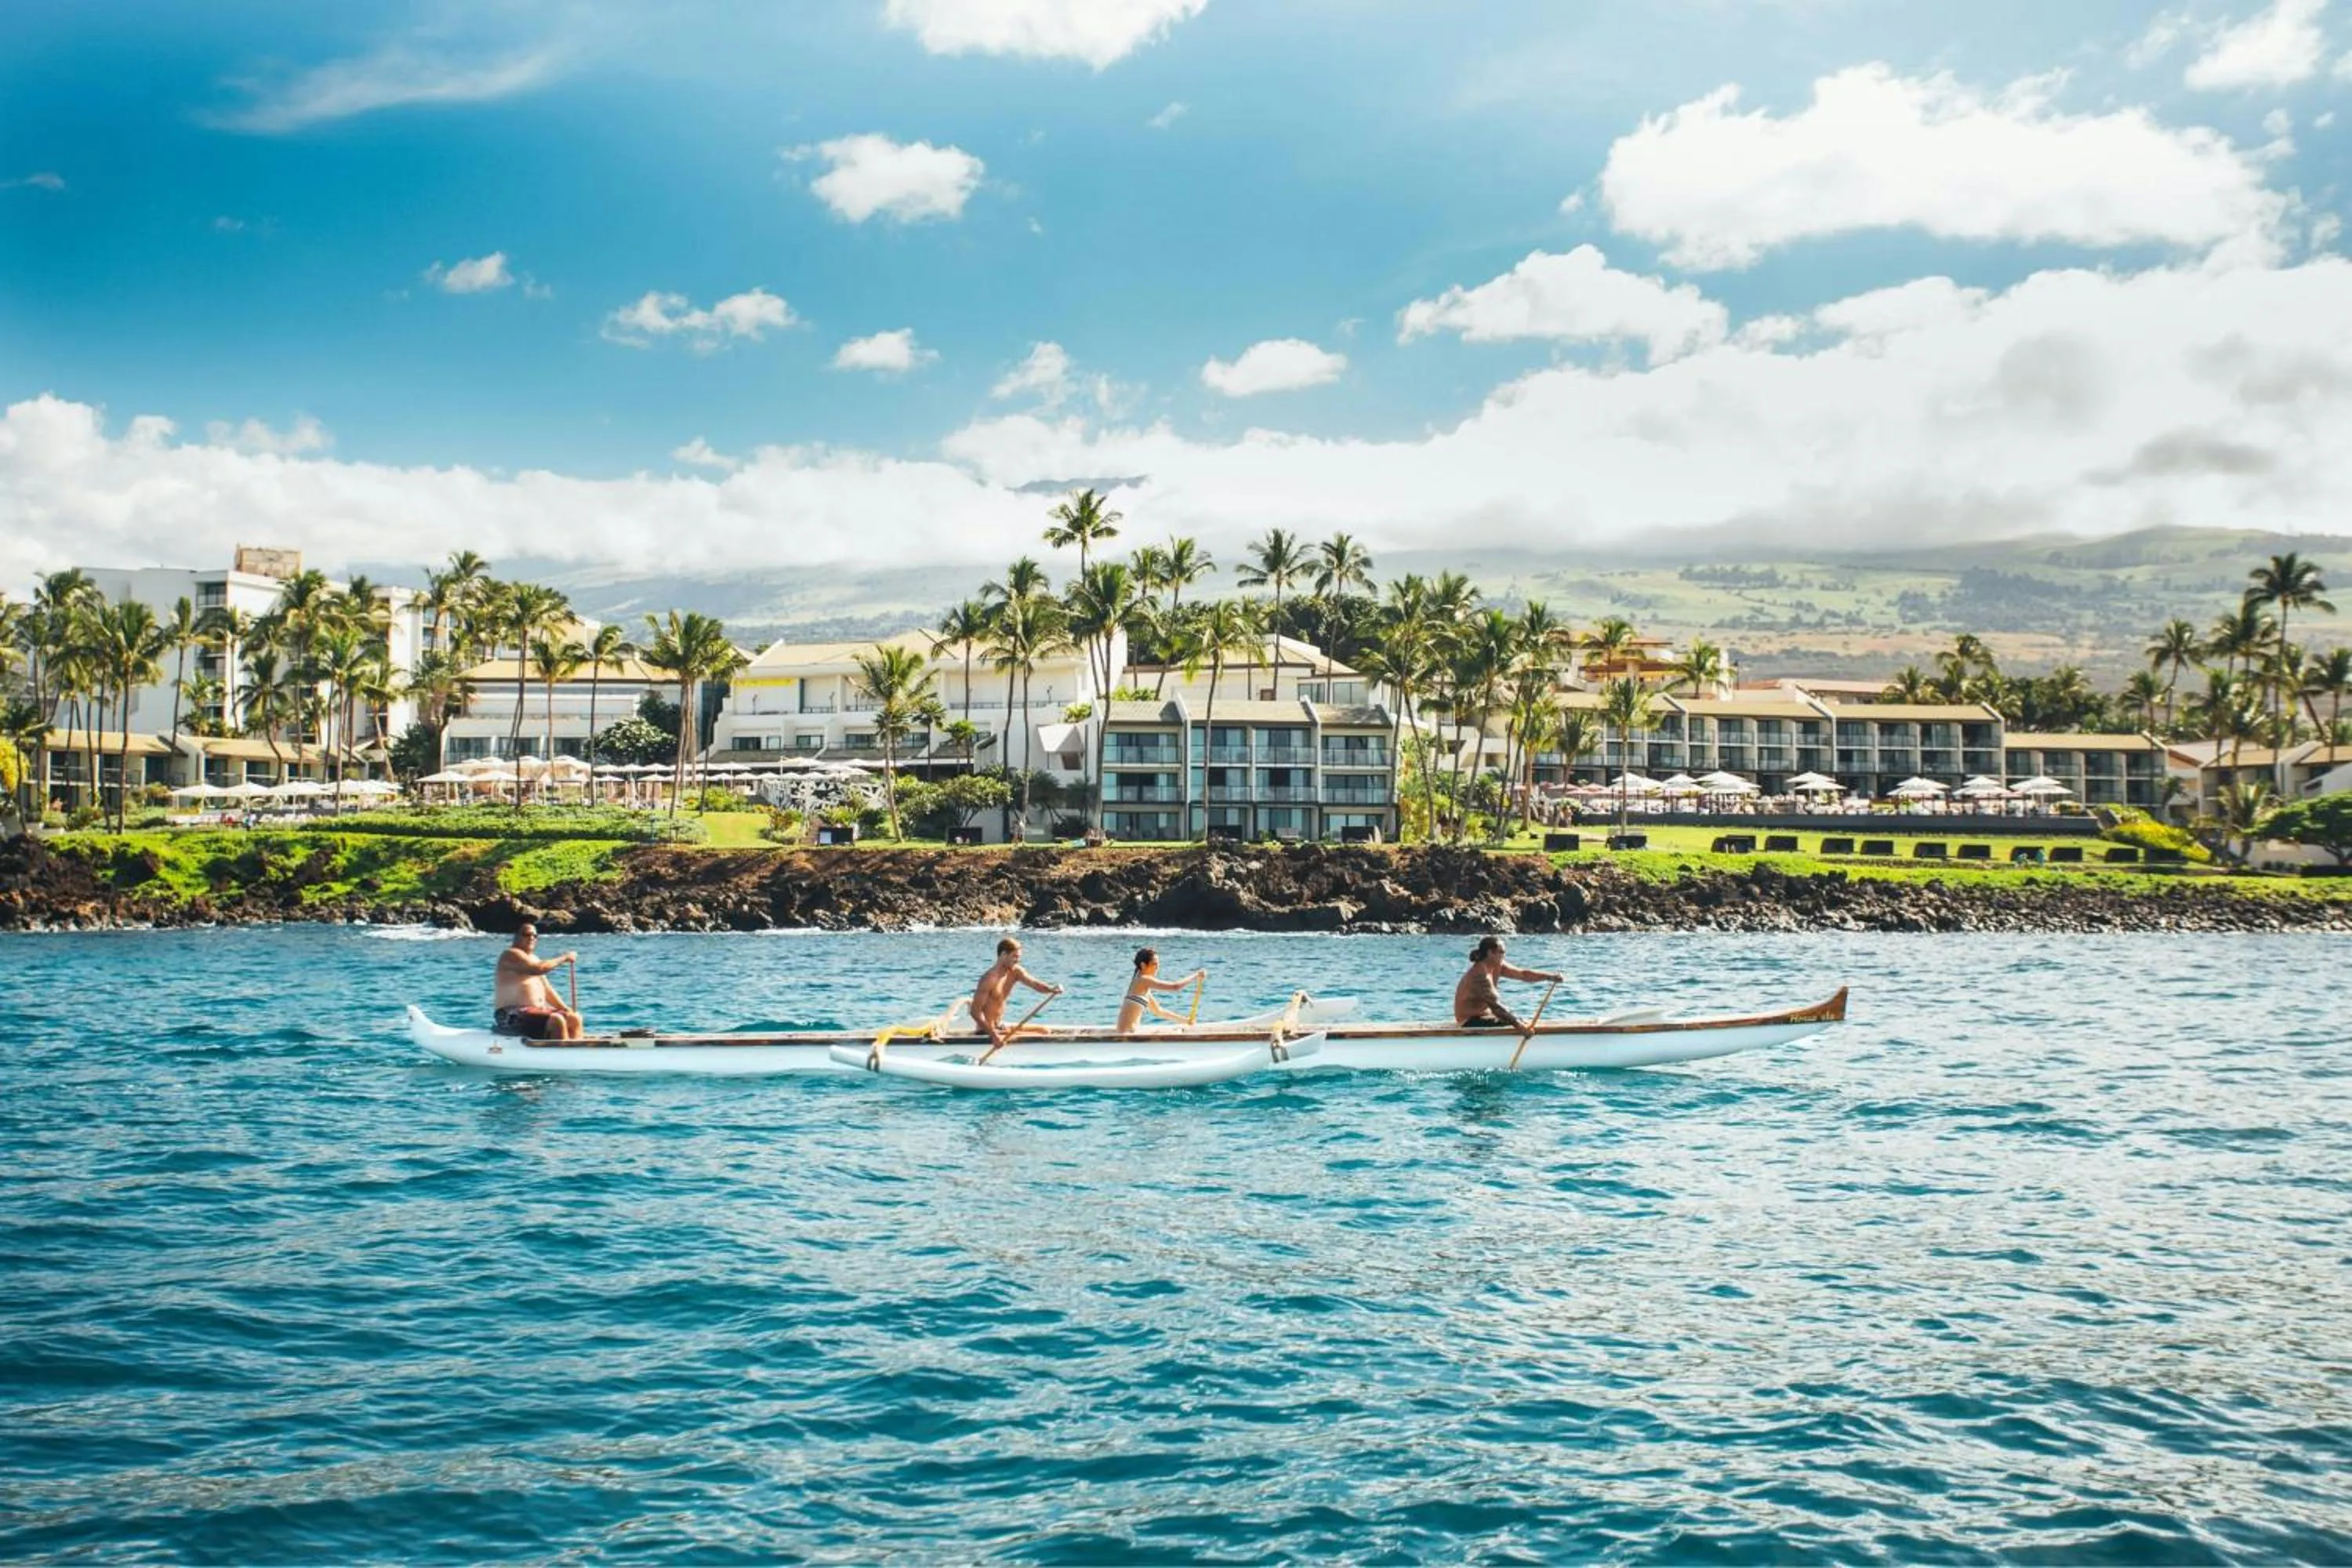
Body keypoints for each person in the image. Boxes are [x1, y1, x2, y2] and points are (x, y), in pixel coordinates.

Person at [493, 922, 583, 1040]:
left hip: (535, 1013)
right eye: (527, 935)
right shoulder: (510, 954)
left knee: (574, 1018)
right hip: (509, 1014)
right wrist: (564, 958)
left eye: (535, 936)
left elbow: (547, 990)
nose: (532, 938)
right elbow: (538, 969)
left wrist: (566, 1009)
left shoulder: (534, 958)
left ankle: (576, 1052)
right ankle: (562, 1054)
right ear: (516, 936)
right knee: (556, 1019)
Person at [1453, 935, 1563, 1029]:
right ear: (1490, 953)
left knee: (1515, 1018)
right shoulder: (1480, 975)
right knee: (1514, 1021)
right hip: (1468, 1021)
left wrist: (1550, 977)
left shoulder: (1496, 966)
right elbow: (1496, 1006)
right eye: (1501, 952)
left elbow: (1523, 974)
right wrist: (1521, 1028)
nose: (1503, 956)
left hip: (1485, 1017)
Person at [971, 936, 1062, 1050]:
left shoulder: (1015, 971)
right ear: (1003, 955)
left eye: (1018, 957)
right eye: (1014, 957)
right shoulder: (990, 979)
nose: (1017, 960)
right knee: (1044, 1035)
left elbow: (1034, 983)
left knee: (1044, 1030)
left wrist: (1051, 989)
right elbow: (975, 1012)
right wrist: (994, 1036)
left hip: (1000, 1026)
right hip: (986, 1032)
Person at [1116, 946, 1207, 1033]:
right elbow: (1175, 987)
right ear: (1143, 965)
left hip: (1129, 1034)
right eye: (1154, 964)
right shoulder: (1144, 980)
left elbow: (1158, 1011)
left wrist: (1185, 1021)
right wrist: (1197, 975)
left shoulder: (1141, 985)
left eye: (1158, 964)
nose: (1157, 968)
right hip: (1126, 1037)